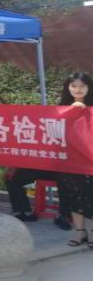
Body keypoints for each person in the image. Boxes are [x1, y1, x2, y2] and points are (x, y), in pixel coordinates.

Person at [57, 72, 93, 248]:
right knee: (73, 196)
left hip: (90, 161)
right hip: (70, 161)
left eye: (82, 86)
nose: (77, 89)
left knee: (91, 195)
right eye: (73, 86)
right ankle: (80, 232)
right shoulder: (61, 107)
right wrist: (71, 111)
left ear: (89, 87)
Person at [4, 168, 72, 230]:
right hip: (37, 168)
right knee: (11, 178)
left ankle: (63, 216)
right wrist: (13, 168)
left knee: (67, 179)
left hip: (58, 169)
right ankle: (25, 212)